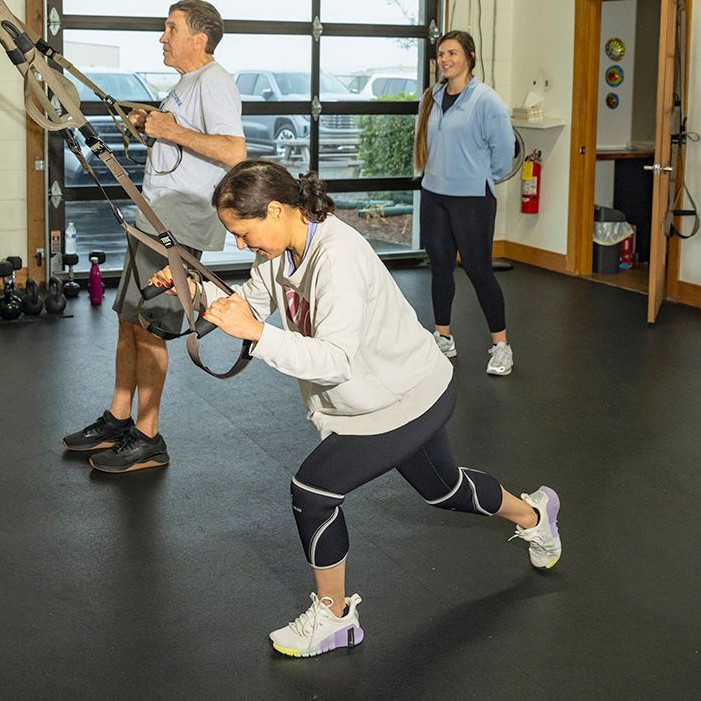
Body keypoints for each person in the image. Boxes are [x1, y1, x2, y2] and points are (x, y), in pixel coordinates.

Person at [153, 159, 561, 658]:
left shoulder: (337, 258)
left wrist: (257, 335)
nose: (241, 244)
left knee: (314, 491)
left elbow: (335, 360)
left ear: (278, 210)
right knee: (444, 490)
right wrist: (195, 293)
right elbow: (250, 305)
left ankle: (337, 617)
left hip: (406, 396)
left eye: (244, 233)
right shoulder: (278, 254)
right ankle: (536, 515)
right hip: (390, 393)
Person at [61, 0, 247, 473]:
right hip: (156, 216)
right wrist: (154, 127)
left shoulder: (215, 82)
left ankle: (148, 437)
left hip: (180, 223)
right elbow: (183, 144)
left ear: (199, 38)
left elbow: (233, 152)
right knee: (130, 321)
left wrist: (172, 129)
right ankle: (118, 420)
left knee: (151, 327)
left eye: (171, 28)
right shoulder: (187, 86)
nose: (162, 37)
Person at [413, 30, 517, 376]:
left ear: (469, 56)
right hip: (434, 195)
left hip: (472, 199)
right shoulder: (433, 95)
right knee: (440, 267)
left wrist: (480, 176)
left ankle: (501, 346)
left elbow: (504, 152)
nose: (445, 60)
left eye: (452, 53)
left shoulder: (487, 101)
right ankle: (443, 337)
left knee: (478, 270)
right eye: (441, 54)